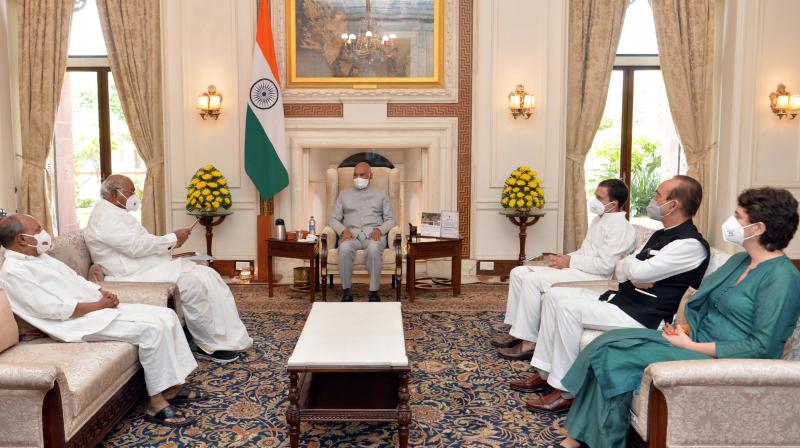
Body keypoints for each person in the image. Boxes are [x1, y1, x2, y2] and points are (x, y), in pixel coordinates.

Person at [558, 187, 800, 448]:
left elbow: (762, 346)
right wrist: (684, 328)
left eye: (738, 217)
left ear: (758, 228)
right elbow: (705, 302)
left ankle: (594, 440)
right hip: (694, 340)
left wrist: (691, 346)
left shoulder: (783, 278)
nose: (731, 222)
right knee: (609, 341)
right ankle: (581, 433)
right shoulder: (741, 261)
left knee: (614, 356)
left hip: (723, 358)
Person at [518, 175, 710, 412]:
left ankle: (566, 391)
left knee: (568, 308)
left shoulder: (689, 244)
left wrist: (633, 270)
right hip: (626, 301)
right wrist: (634, 272)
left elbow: (635, 269)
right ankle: (546, 373)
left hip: (646, 316)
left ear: (674, 205)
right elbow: (623, 269)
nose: (652, 199)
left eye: (658, 195)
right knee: (555, 297)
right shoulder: (660, 234)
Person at [0, 214, 201, 427]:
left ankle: (173, 385)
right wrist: (99, 305)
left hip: (94, 309)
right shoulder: (13, 272)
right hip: (73, 324)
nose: (43, 233)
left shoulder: (41, 257)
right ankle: (156, 404)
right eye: (38, 228)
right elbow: (53, 309)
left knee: (166, 315)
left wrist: (102, 292)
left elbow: (76, 280)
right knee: (151, 330)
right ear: (22, 239)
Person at [84, 175, 252, 364]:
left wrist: (172, 242)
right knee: (191, 284)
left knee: (208, 274)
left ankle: (227, 338)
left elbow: (141, 244)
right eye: (131, 192)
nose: (134, 196)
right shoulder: (105, 217)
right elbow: (134, 246)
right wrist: (172, 238)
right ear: (116, 193)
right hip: (131, 275)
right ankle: (208, 345)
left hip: (145, 267)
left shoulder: (116, 212)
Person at [494, 179, 637, 361]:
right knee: (518, 272)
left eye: (599, 198)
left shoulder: (621, 228)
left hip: (593, 278)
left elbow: (605, 266)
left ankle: (529, 343)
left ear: (613, 204)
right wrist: (564, 258)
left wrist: (570, 261)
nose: (594, 201)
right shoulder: (598, 220)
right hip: (580, 269)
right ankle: (517, 332)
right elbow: (585, 252)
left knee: (531, 280)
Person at [328, 161, 395, 302]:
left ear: (370, 176)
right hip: (351, 235)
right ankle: (346, 291)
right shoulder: (343, 195)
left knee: (373, 248)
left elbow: (390, 220)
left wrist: (380, 230)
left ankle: (374, 291)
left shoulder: (381, 194)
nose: (358, 178)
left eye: (362, 175)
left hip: (373, 235)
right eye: (355, 175)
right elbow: (333, 219)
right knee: (344, 248)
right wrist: (343, 230)